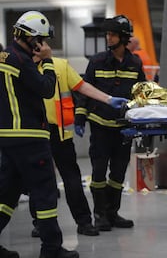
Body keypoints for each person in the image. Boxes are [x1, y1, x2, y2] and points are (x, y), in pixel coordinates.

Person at [0, 11, 79, 258]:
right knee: (44, 193)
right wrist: (46, 61)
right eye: (42, 40)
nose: (45, 45)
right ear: (32, 38)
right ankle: (52, 249)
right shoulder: (21, 60)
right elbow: (46, 89)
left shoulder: (5, 56)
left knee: (7, 194)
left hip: (7, 138)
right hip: (30, 138)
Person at [30, 56, 129, 238]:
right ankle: (42, 224)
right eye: (39, 41)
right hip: (33, 133)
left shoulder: (59, 65)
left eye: (42, 41)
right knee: (40, 180)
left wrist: (108, 99)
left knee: (70, 179)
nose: (41, 46)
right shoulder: (22, 64)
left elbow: (82, 86)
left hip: (58, 133)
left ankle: (83, 221)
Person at [74, 15, 146, 231]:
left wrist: (144, 119)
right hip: (100, 126)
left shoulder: (135, 63)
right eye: (108, 34)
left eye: (112, 34)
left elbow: (142, 91)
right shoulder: (96, 61)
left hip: (124, 128)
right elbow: (84, 91)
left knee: (118, 173)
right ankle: (100, 214)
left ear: (123, 38)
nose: (108, 37)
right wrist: (79, 118)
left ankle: (112, 213)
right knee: (98, 172)